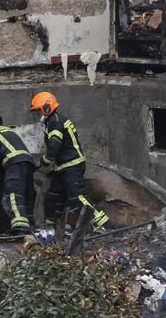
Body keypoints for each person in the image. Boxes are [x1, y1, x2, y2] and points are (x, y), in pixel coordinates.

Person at [30, 91, 109, 232]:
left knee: (78, 198)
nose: (37, 115)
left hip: (71, 166)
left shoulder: (55, 123)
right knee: (53, 196)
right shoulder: (55, 121)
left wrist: (42, 162)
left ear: (46, 108)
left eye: (38, 110)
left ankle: (104, 225)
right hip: (63, 168)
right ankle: (51, 227)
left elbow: (54, 147)